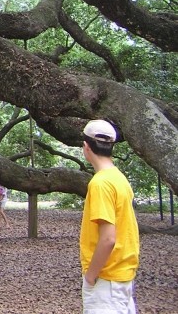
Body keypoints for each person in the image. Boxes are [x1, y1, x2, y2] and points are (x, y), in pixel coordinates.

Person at [79, 119, 139, 313]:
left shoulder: (100, 184)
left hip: (106, 280)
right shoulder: (119, 178)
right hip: (122, 278)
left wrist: (90, 276)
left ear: (86, 147)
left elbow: (108, 239)